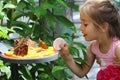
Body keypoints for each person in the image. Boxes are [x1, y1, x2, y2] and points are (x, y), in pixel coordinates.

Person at [58, 0, 120, 80]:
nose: (81, 28)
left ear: (104, 27)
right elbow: (81, 72)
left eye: (85, 24)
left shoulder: (117, 48)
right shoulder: (93, 48)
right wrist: (67, 56)